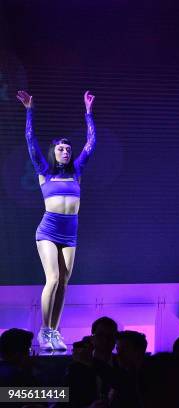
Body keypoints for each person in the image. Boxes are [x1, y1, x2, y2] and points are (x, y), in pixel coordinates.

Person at [16, 90, 96, 350]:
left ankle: (54, 332)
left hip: (70, 232)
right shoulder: (45, 172)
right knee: (52, 278)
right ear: (54, 152)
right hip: (48, 230)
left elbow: (90, 144)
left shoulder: (77, 172)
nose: (65, 151)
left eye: (68, 149)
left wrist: (88, 113)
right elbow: (30, 140)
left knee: (64, 282)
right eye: (61, 148)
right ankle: (44, 330)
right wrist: (30, 109)